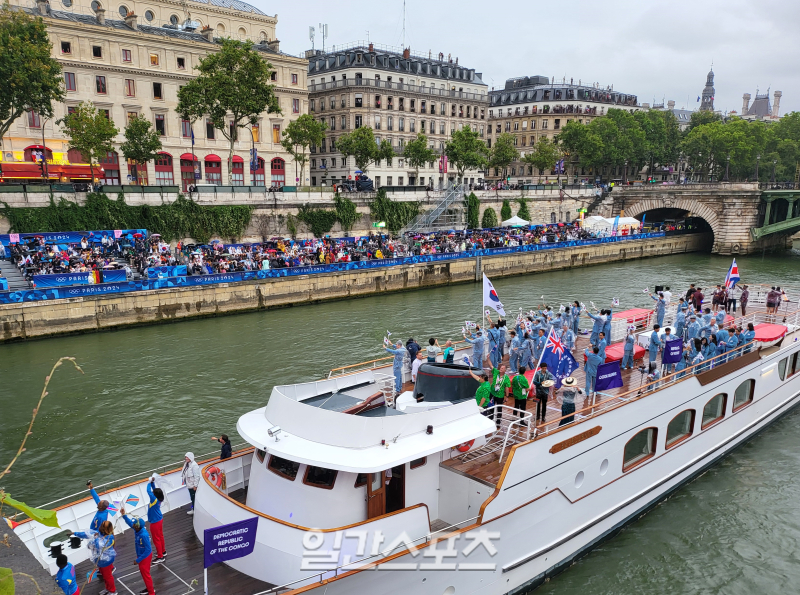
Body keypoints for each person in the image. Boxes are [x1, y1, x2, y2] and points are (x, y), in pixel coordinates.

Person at [69, 520, 116, 594]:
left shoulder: (110, 537)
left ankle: (113, 591)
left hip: (106, 561)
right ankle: (108, 588)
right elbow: (86, 534)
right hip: (100, 561)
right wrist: (75, 533)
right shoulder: (99, 533)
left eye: (103, 526)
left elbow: (100, 545)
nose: (101, 527)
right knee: (104, 576)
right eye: (102, 525)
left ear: (107, 529)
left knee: (108, 577)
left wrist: (96, 537)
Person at [121, 510, 155, 595]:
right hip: (141, 556)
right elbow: (129, 523)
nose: (132, 525)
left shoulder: (143, 535)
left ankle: (151, 592)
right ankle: (148, 588)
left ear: (137, 526)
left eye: (134, 524)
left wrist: (138, 560)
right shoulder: (137, 529)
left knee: (146, 575)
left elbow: (148, 550)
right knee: (144, 575)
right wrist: (124, 515)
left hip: (144, 557)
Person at [147, 477, 166, 563]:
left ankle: (160, 556)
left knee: (156, 539)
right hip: (159, 520)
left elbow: (148, 491)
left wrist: (149, 482)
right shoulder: (158, 498)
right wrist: (152, 483)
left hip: (154, 522)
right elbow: (154, 490)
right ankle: (163, 551)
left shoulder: (153, 499)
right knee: (160, 536)